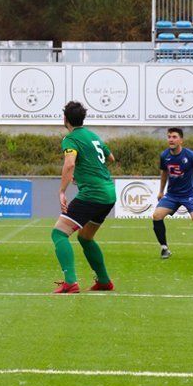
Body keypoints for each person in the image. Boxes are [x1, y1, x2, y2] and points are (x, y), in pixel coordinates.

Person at [51, 102, 116, 294]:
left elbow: (69, 164)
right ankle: (104, 281)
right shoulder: (92, 136)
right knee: (86, 237)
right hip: (108, 193)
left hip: (92, 194)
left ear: (65, 119)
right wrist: (90, 171)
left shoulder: (70, 139)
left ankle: (70, 282)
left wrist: (62, 190)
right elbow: (110, 158)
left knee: (59, 233)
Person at [152, 128, 193, 261]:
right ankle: (164, 249)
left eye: (174, 137)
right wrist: (161, 191)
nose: (171, 139)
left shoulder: (191, 156)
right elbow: (164, 173)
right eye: (169, 136)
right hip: (172, 195)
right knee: (156, 216)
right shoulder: (164, 155)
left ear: (181, 140)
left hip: (190, 194)